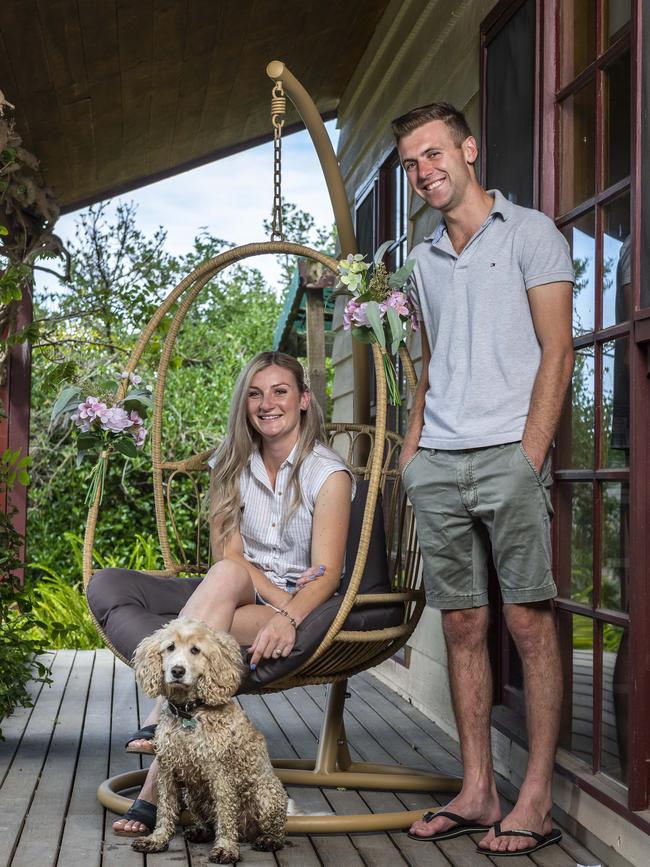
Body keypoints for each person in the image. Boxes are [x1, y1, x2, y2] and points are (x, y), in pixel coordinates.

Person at [392, 102, 574, 856]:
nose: (424, 170)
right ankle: (477, 788)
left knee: (529, 623)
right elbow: (435, 363)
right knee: (463, 624)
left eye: (434, 153)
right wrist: (411, 450)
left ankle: (534, 794)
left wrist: (530, 453)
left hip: (509, 454)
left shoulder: (531, 233)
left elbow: (557, 349)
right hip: (439, 460)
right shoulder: (424, 260)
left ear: (468, 149)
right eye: (411, 163)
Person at [87, 351, 353, 835]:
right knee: (229, 574)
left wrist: (287, 616)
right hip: (245, 594)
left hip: (306, 607)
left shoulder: (326, 473)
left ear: (304, 401)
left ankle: (155, 763)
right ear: (244, 403)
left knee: (228, 582)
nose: (266, 403)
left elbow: (328, 574)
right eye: (255, 393)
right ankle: (163, 745)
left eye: (280, 392)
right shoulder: (230, 465)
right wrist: (271, 598)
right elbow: (229, 560)